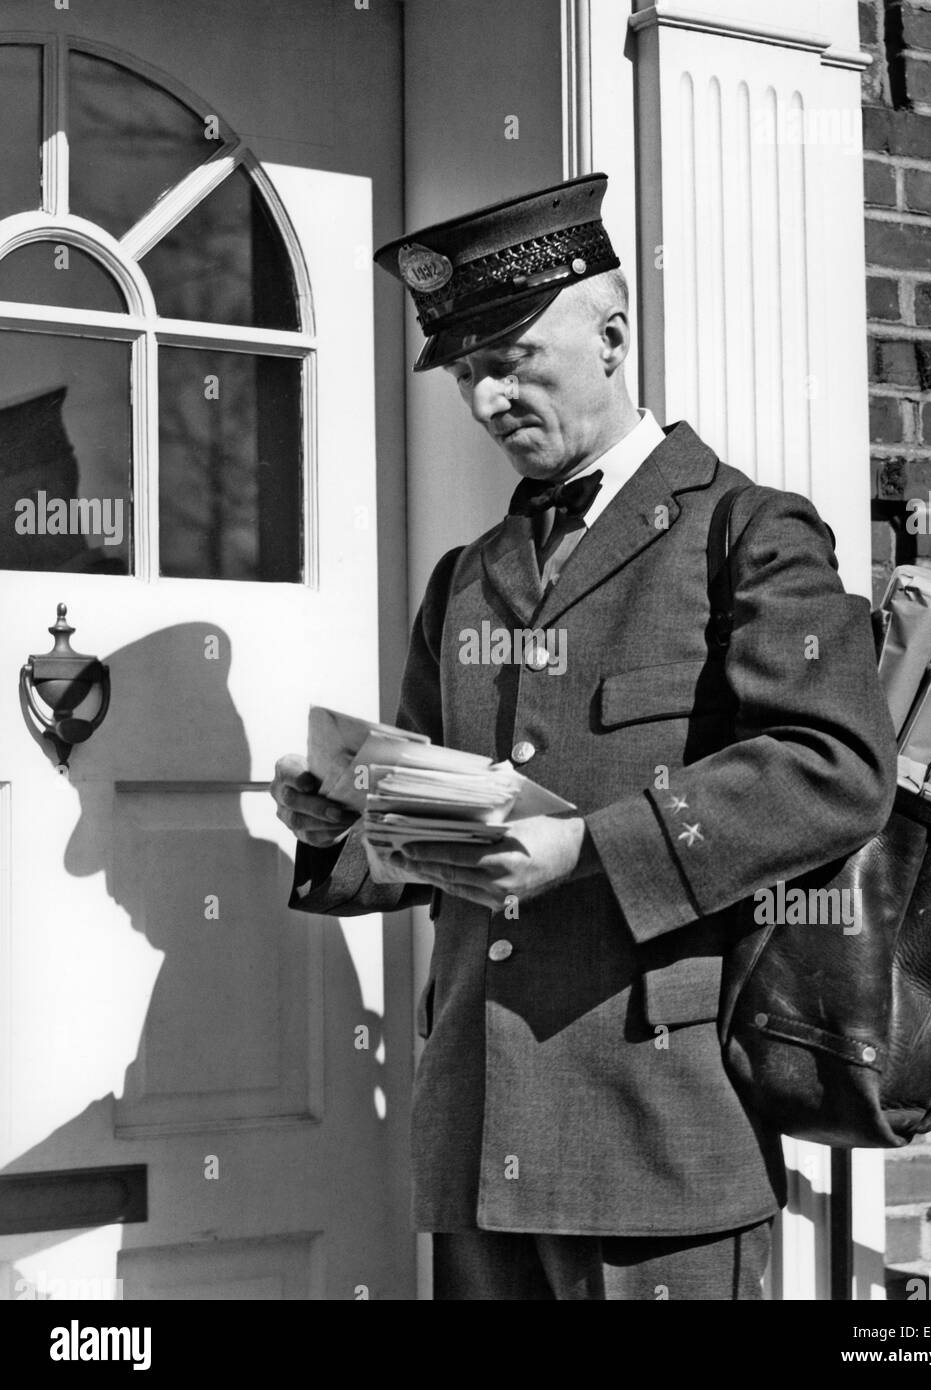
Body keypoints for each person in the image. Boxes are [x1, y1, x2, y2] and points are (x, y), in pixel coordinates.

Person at [272, 173, 896, 1300]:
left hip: (659, 1132)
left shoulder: (744, 532)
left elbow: (837, 768)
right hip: (478, 1126)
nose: (487, 398)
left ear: (612, 334)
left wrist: (592, 848)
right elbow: (430, 830)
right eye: (466, 372)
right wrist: (340, 827)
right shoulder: (463, 582)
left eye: (512, 356)